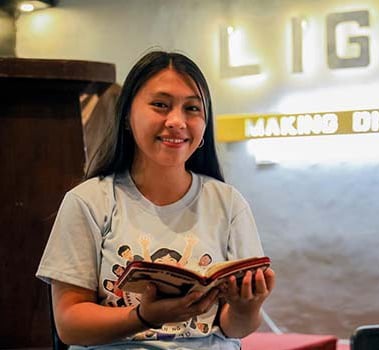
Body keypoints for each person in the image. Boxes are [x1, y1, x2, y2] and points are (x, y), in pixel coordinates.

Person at [36, 51, 275, 349]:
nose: (176, 121)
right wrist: (142, 317)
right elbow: (70, 325)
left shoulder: (228, 203)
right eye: (160, 105)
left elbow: (234, 328)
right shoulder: (89, 201)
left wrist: (246, 307)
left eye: (192, 108)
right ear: (127, 116)